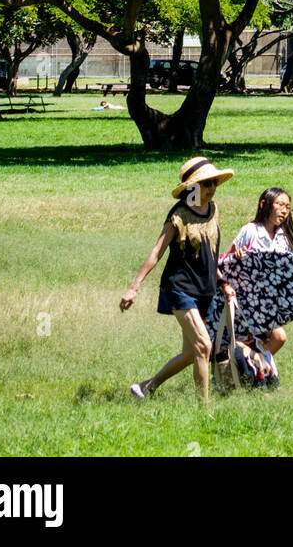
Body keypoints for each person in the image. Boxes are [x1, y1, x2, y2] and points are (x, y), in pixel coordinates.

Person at [120, 156, 235, 404]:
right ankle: (203, 410)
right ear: (193, 187)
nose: (212, 189)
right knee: (204, 346)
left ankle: (146, 388)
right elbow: (156, 252)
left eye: (214, 183)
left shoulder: (214, 210)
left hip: (205, 289)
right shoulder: (179, 215)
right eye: (206, 184)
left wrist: (223, 282)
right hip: (179, 288)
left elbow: (211, 252)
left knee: (190, 353)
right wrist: (134, 287)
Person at [223, 187, 293, 356]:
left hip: (268, 303)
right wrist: (237, 255)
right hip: (246, 301)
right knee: (278, 336)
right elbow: (224, 261)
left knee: (273, 339)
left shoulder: (282, 237)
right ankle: (253, 366)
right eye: (280, 205)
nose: (285, 210)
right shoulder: (250, 231)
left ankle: (251, 368)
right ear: (264, 204)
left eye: (288, 207)